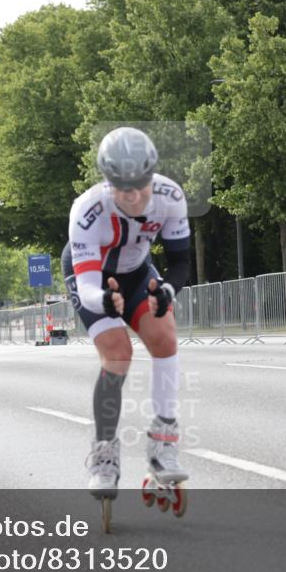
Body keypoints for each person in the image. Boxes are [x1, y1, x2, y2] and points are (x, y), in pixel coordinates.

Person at [63, 127, 192, 501]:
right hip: (92, 277)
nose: (134, 195)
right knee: (118, 353)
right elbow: (87, 287)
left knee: (165, 337)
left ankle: (163, 444)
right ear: (108, 182)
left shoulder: (170, 196)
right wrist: (103, 300)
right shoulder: (87, 210)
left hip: (136, 273)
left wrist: (167, 290)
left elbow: (181, 261)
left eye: (141, 184)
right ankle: (104, 455)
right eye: (123, 187)